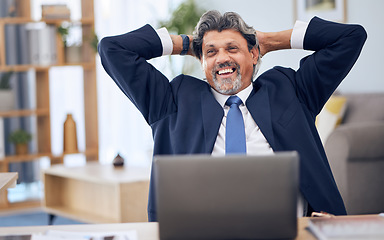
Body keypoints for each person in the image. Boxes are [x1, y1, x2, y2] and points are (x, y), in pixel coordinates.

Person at [98, 10, 367, 222]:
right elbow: (113, 49)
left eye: (232, 48)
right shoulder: (173, 100)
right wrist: (186, 43)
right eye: (211, 52)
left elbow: (351, 37)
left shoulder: (291, 89)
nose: (221, 58)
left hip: (289, 230)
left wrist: (272, 40)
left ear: (253, 54)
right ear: (201, 61)